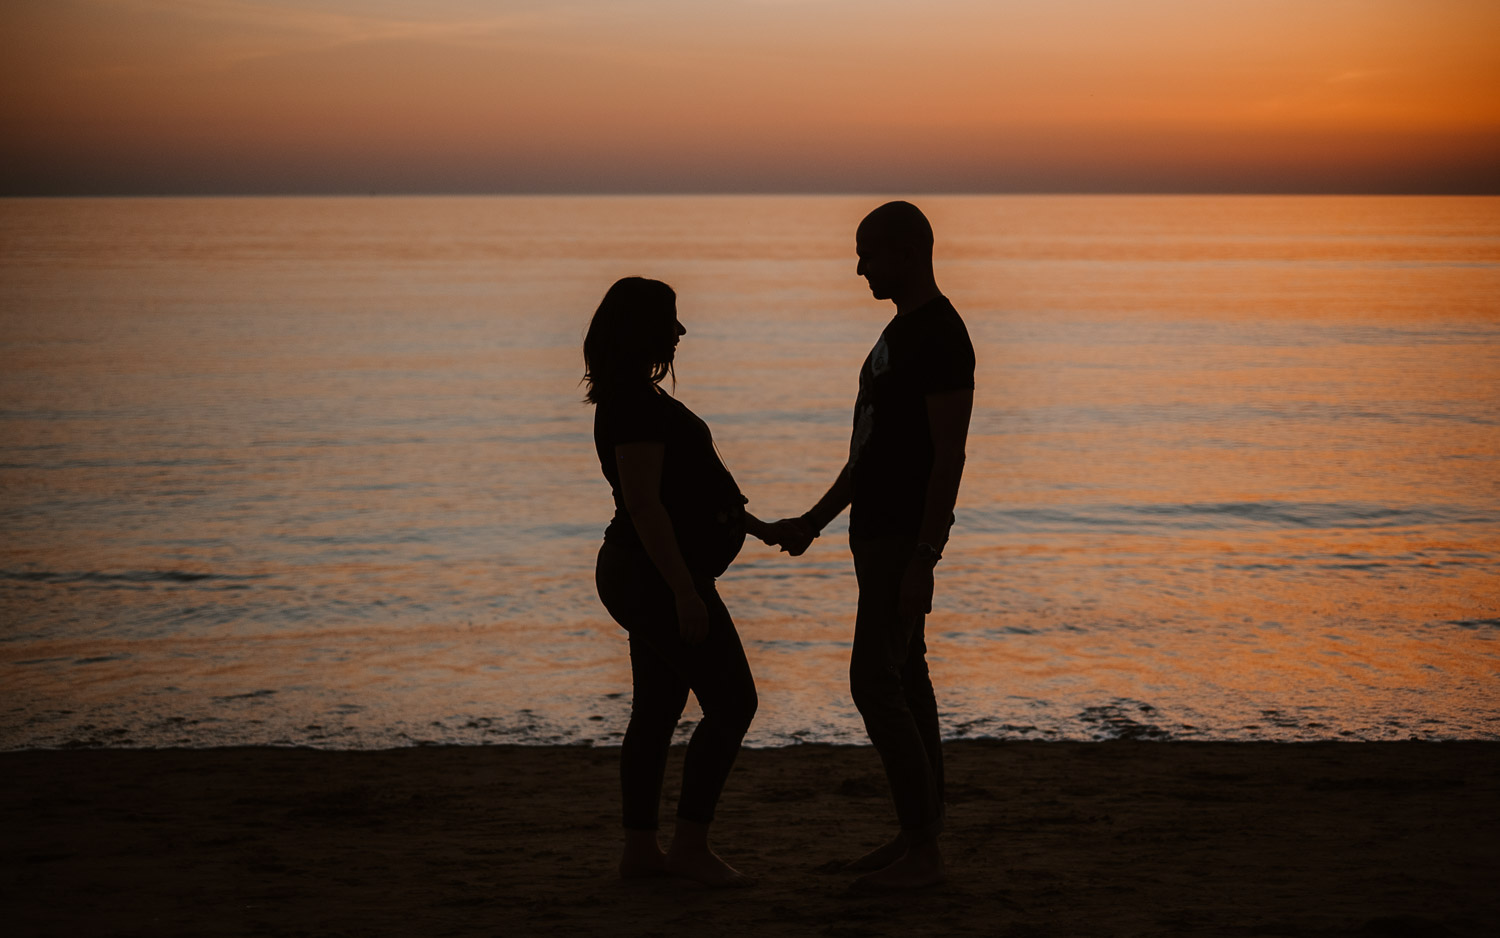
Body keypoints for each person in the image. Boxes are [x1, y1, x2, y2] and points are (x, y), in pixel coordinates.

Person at [774, 201, 974, 889]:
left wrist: (925, 556)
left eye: (868, 252)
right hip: (873, 534)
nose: (858, 266)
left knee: (873, 682)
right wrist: (815, 519)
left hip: (900, 542)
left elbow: (948, 457)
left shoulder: (941, 336)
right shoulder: (897, 335)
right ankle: (921, 837)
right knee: (906, 678)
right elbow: (870, 455)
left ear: (906, 251)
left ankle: (924, 850)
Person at [585, 276, 781, 888]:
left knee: (659, 706)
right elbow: (645, 506)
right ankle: (689, 846)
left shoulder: (631, 398)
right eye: (671, 319)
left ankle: (642, 851)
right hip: (652, 575)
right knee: (733, 703)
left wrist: (757, 526)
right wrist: (685, 592)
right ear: (643, 329)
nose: (681, 330)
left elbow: (689, 493)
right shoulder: (635, 406)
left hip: (648, 572)